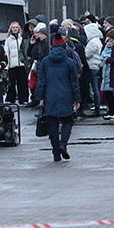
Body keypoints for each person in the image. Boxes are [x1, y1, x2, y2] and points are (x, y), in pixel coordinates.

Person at [36, 32, 80, 162]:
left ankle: (56, 153)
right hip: (66, 96)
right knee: (67, 121)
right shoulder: (69, 62)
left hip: (50, 97)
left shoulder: (45, 61)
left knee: (53, 125)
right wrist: (77, 99)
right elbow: (74, 83)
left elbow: (41, 81)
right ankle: (63, 144)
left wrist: (40, 97)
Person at [4, 21, 30, 105]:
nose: (15, 29)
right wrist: (7, 65)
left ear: (19, 29)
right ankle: (11, 99)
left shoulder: (22, 39)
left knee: (22, 83)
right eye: (13, 27)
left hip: (21, 65)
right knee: (11, 83)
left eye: (16, 27)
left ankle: (23, 99)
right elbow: (6, 52)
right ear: (11, 29)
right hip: (12, 65)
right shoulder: (8, 40)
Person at [84, 22, 104, 117]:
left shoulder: (92, 42)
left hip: (92, 66)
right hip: (96, 66)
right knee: (96, 87)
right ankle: (97, 106)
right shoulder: (98, 40)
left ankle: (97, 106)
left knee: (94, 87)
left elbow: (87, 55)